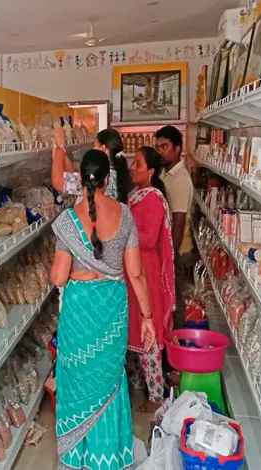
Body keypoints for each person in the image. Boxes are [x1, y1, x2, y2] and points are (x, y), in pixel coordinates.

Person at [50, 149, 155, 470]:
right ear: (108, 179)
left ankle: (77, 457)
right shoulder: (124, 214)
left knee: (77, 379)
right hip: (112, 311)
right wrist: (148, 318)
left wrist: (77, 269)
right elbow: (136, 273)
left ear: (80, 180)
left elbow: (58, 277)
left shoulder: (68, 221)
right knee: (110, 380)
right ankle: (108, 457)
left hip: (79, 314)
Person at [125, 146, 176, 413]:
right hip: (133, 269)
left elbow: (149, 238)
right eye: (133, 163)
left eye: (139, 164)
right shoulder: (136, 195)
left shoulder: (154, 199)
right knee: (133, 327)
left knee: (149, 331)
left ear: (152, 171)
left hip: (147, 271)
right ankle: (136, 386)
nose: (133, 168)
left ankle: (156, 395)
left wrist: (124, 230)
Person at [155, 125, 194, 326]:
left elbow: (178, 223)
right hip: (169, 248)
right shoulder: (166, 173)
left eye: (165, 146)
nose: (160, 151)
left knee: (175, 301)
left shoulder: (179, 179)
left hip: (177, 251)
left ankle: (178, 338)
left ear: (177, 149)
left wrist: (169, 256)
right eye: (158, 147)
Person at [52, 128, 133, 205]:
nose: (92, 150)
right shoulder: (115, 172)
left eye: (94, 146)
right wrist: (62, 155)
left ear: (103, 148)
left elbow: (58, 181)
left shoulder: (101, 174)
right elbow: (78, 179)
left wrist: (60, 147)